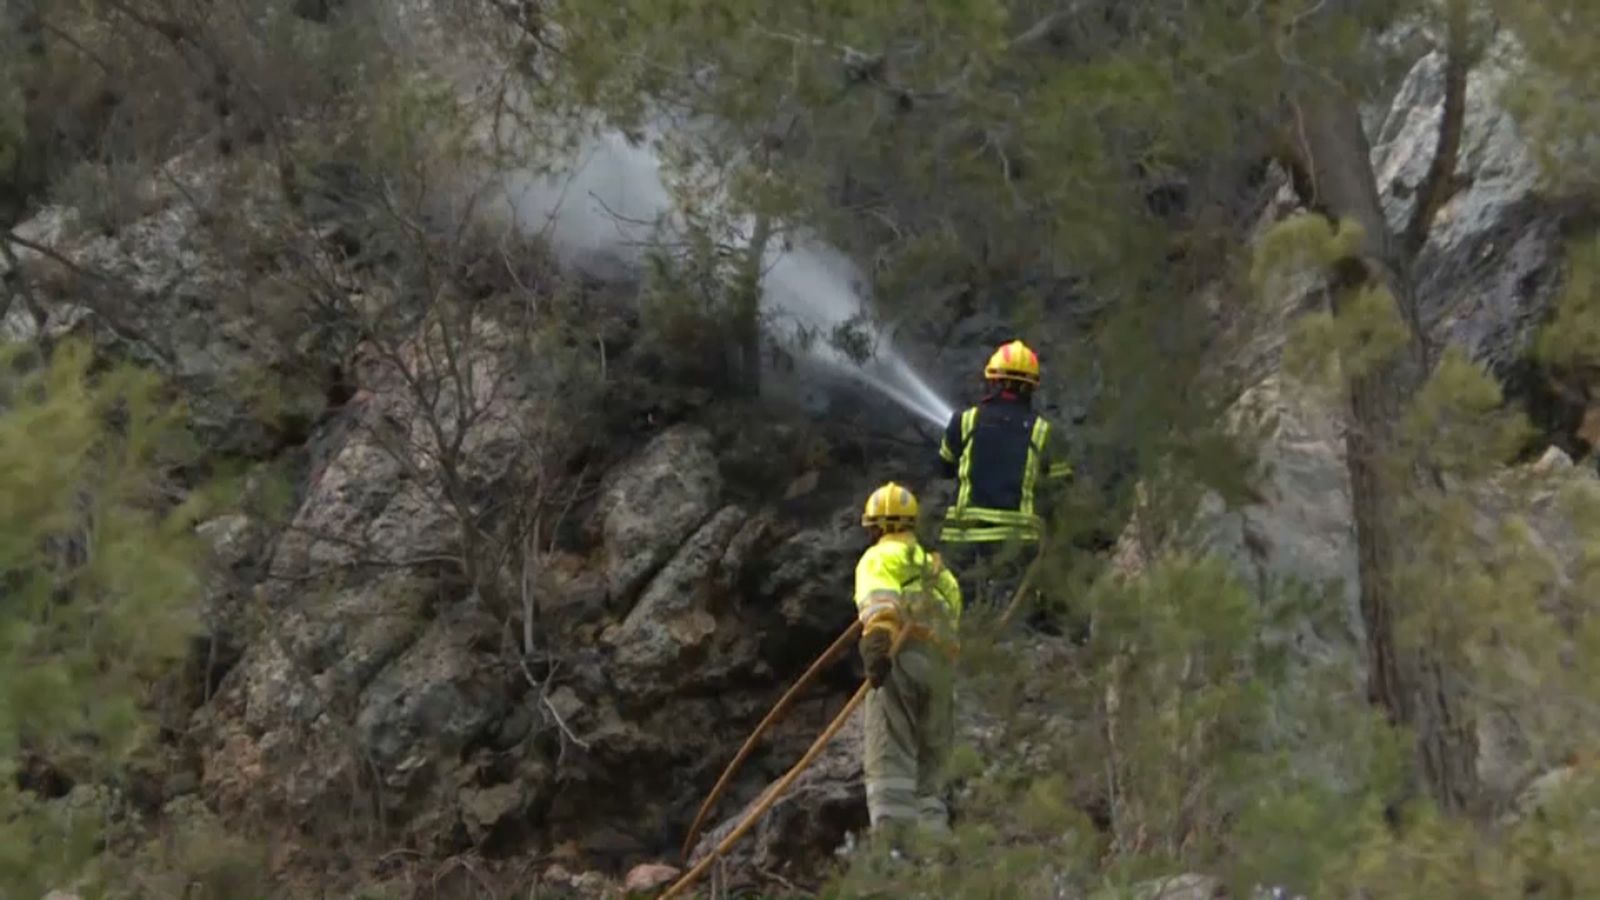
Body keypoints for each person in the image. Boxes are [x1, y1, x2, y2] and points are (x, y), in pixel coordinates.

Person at [853, 481, 962, 850]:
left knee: (890, 749)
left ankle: (893, 848)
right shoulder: (940, 572)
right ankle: (935, 846)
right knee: (933, 762)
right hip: (941, 670)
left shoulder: (878, 558)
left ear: (876, 527)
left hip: (900, 656)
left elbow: (880, 604)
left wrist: (877, 647)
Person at [936, 339, 1073, 620]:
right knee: (1013, 618)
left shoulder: (963, 422)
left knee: (957, 616)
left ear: (993, 381)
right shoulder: (1046, 432)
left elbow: (943, 468)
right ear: (1032, 388)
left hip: (963, 543)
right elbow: (1060, 489)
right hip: (1016, 544)